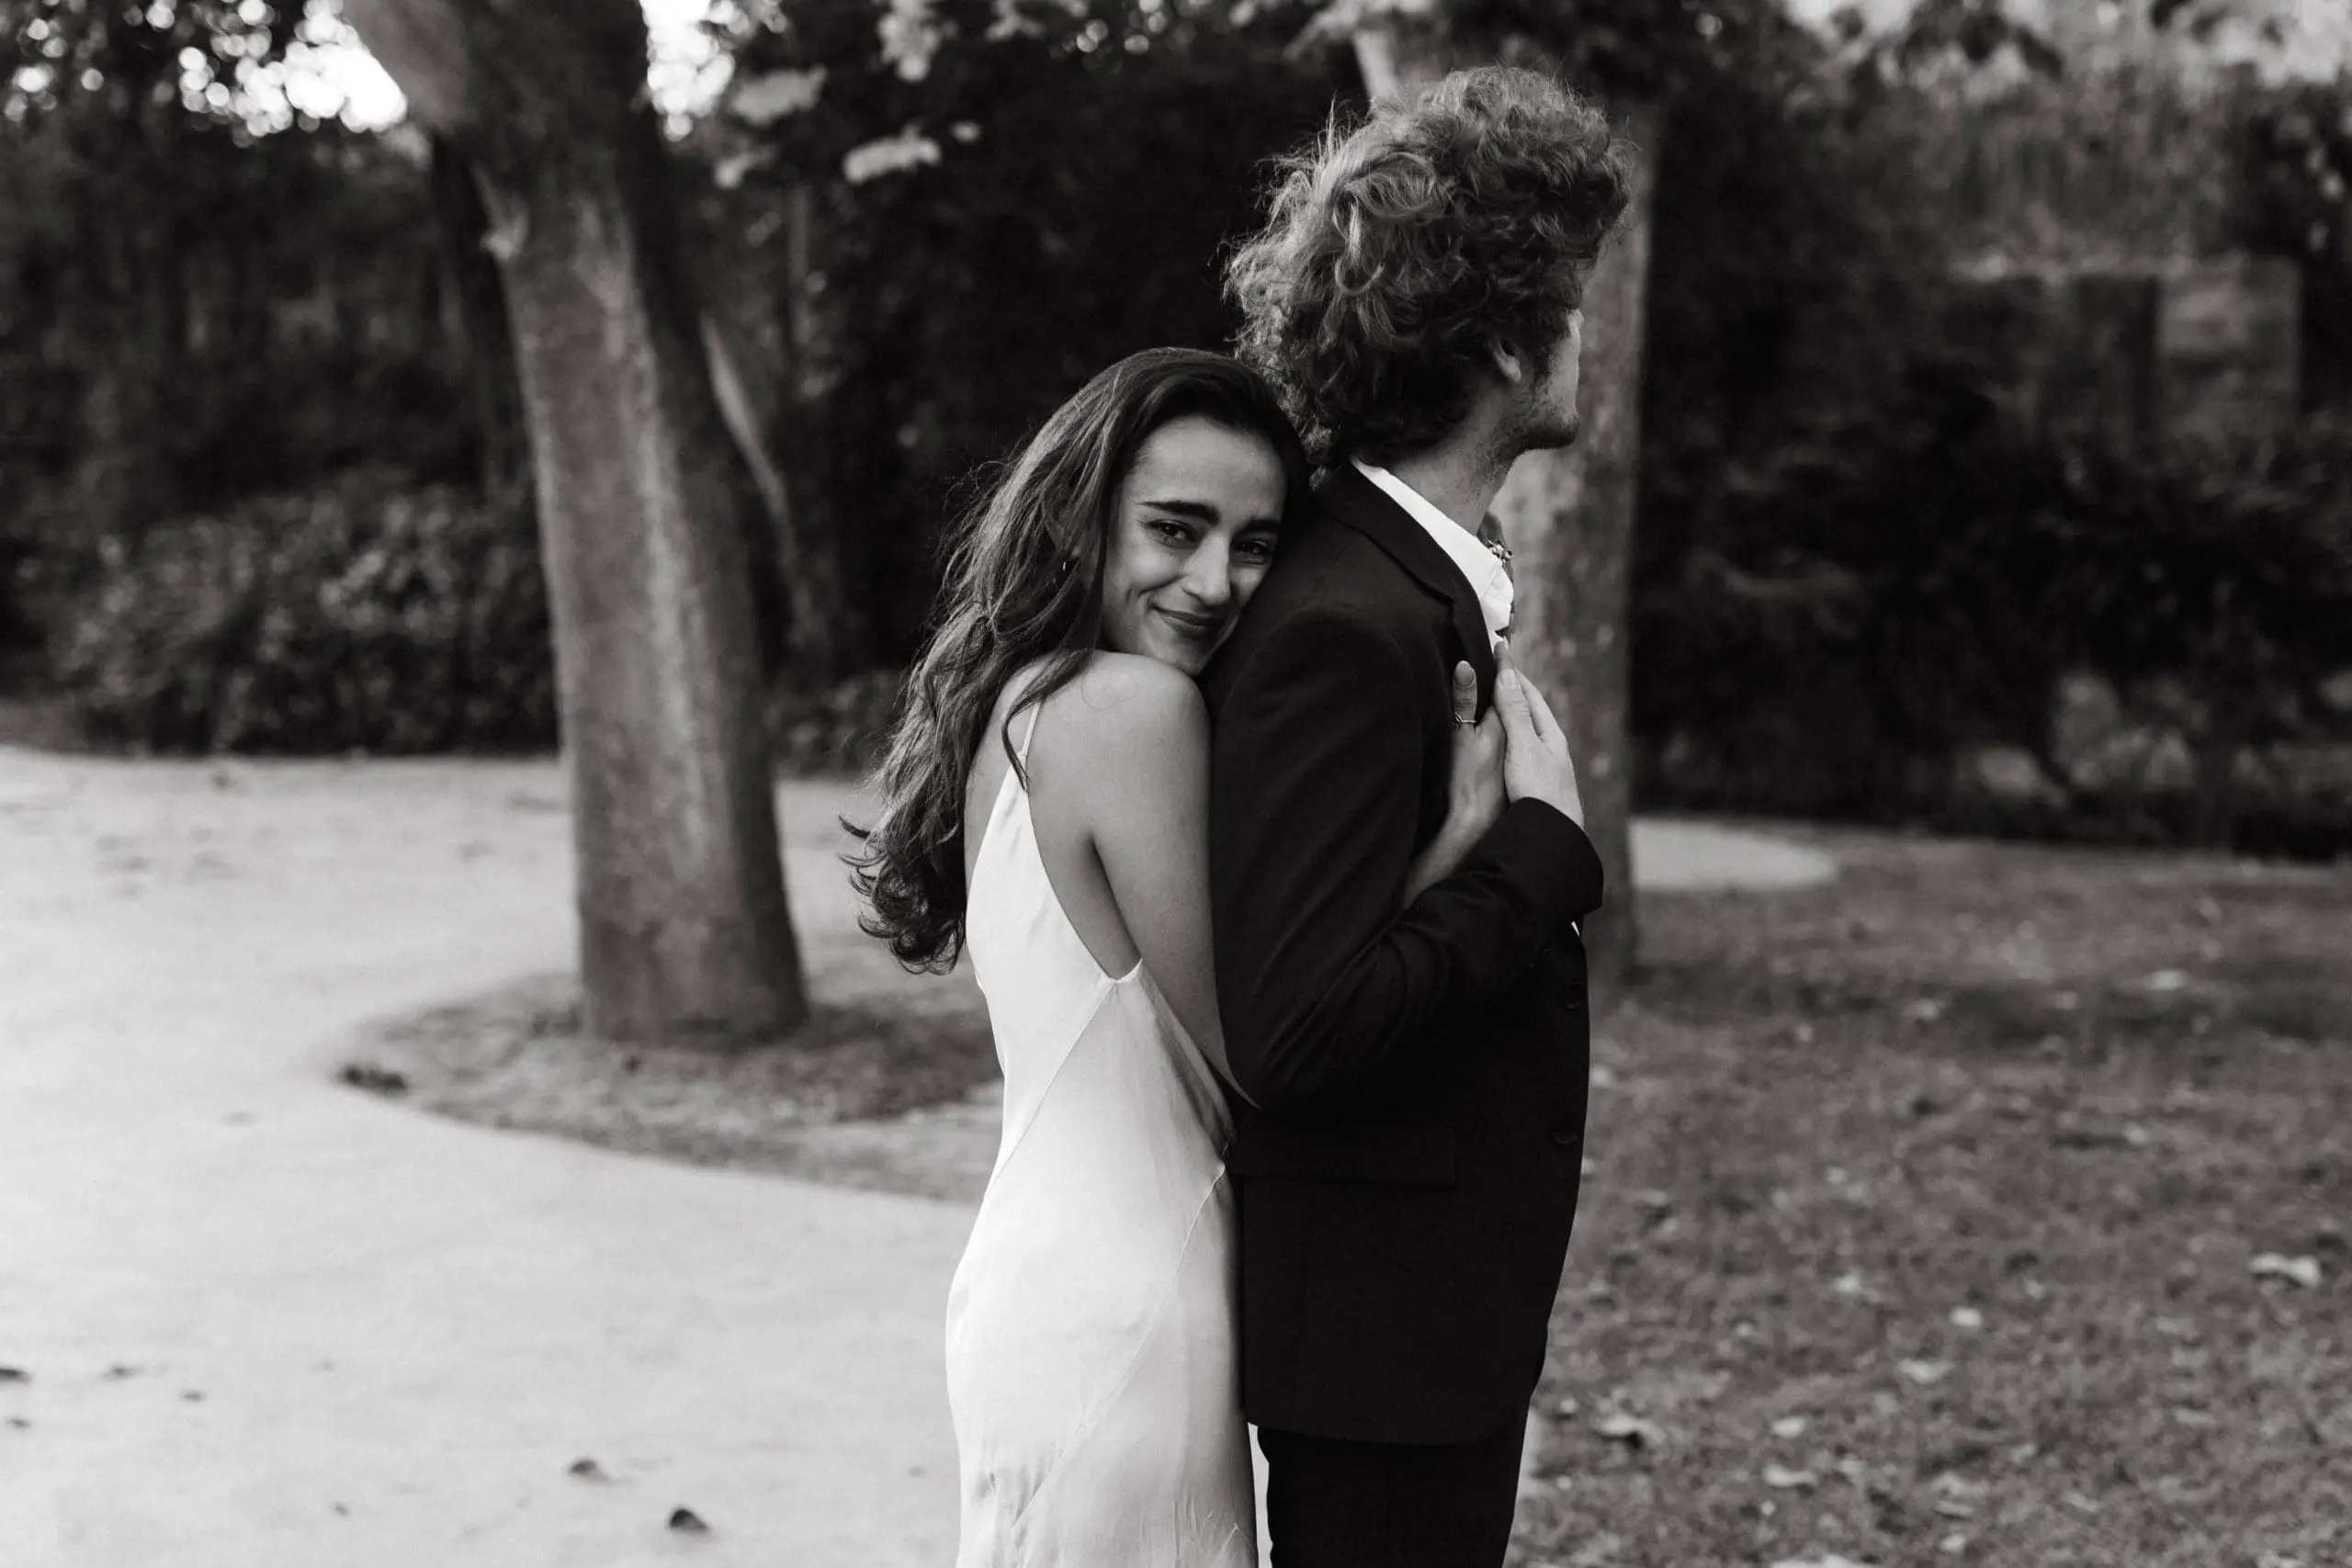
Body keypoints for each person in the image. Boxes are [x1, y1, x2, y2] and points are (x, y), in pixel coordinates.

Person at [848, 346, 1553, 1565]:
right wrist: (1466, 853)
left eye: (1256, 543)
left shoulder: (1027, 699)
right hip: (1124, 1310)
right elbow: (1276, 1041)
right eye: (1174, 529)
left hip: (1059, 1282)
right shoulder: (1133, 711)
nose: (1217, 580)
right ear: (1081, 522)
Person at [1209, 65, 1632, 1566]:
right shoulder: (1349, 619)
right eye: (1575, 298)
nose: (1590, 334)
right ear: (1510, 335)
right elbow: (1294, 1031)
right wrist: (1537, 856)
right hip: (1380, 1349)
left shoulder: (1396, 578)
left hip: (1417, 1324)